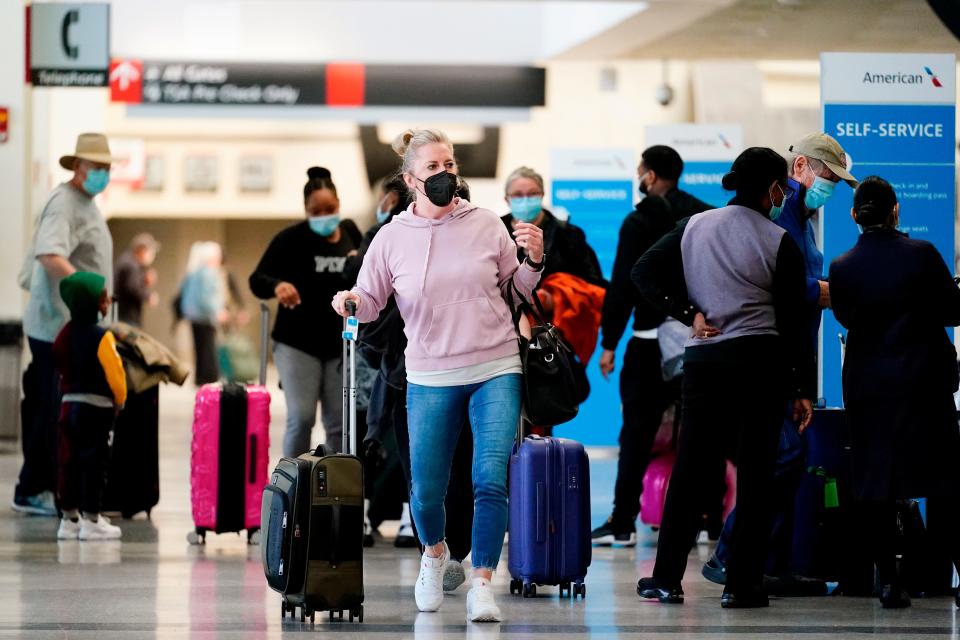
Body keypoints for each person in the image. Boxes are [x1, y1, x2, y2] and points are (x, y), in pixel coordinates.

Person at [332, 128, 544, 623]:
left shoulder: (487, 223)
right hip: (429, 374)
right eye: (433, 167)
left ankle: (483, 584)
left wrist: (533, 259)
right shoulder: (391, 237)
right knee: (426, 490)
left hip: (496, 366)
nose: (445, 174)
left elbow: (517, 291)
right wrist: (349, 302)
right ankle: (434, 554)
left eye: (449, 165)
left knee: (489, 480)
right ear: (411, 178)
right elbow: (370, 299)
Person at [632, 147, 815, 608]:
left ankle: (666, 579)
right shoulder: (779, 240)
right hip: (761, 364)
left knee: (691, 470)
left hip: (705, 364)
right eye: (783, 188)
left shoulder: (693, 225)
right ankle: (743, 584)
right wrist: (800, 390)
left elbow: (644, 272)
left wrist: (688, 313)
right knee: (755, 473)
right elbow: (795, 324)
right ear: (773, 187)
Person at [704, 132, 857, 591]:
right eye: (828, 176)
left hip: (789, 359)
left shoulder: (803, 216)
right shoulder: (779, 214)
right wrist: (827, 291)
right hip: (762, 357)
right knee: (784, 455)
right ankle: (732, 553)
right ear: (801, 168)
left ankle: (771, 563)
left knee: (791, 459)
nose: (830, 187)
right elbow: (779, 284)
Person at [829, 176, 960, 609]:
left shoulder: (843, 266)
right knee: (944, 479)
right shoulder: (922, 255)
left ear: (853, 215)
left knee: (875, 484)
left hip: (869, 388)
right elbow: (952, 312)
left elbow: (846, 318)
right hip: (925, 383)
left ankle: (888, 582)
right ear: (896, 210)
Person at [592, 145, 713, 546]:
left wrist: (608, 343)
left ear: (650, 175)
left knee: (637, 435)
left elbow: (624, 286)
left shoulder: (638, 220)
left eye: (641, 170)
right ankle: (710, 519)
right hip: (698, 341)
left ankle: (623, 522)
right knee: (701, 434)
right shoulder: (706, 214)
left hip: (647, 345)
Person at [14, 133, 116, 517]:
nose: (102, 174)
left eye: (106, 168)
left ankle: (50, 488)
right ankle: (31, 489)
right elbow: (50, 254)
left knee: (57, 409)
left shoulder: (86, 203)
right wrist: (88, 291)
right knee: (52, 411)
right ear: (78, 168)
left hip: (71, 326)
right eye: (96, 168)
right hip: (55, 327)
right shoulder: (65, 204)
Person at [250, 167, 361, 457]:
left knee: (339, 423)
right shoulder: (291, 239)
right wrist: (278, 285)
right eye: (316, 210)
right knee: (301, 418)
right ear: (306, 210)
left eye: (330, 208)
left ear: (339, 203)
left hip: (340, 345)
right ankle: (291, 489)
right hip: (297, 343)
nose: (325, 215)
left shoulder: (351, 233)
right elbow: (257, 280)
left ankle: (337, 495)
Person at [52, 272, 126, 541]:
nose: (107, 305)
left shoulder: (62, 335)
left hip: (68, 407)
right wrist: (120, 400)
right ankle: (92, 520)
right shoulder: (101, 337)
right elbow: (115, 373)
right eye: (104, 300)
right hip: (97, 410)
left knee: (68, 462)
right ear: (93, 304)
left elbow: (58, 365)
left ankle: (69, 519)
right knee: (94, 463)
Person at [500, 166, 604, 286]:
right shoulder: (495, 232)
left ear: (542, 195)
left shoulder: (568, 234)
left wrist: (553, 296)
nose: (525, 200)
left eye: (533, 193)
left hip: (555, 304)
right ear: (507, 199)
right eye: (518, 195)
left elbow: (592, 284)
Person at [181, 242, 227, 386]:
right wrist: (218, 311)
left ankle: (200, 379)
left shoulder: (194, 272)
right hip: (205, 316)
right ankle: (209, 380)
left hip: (194, 316)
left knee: (199, 350)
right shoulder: (208, 273)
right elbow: (207, 297)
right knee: (208, 350)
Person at [114, 233, 160, 327]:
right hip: (125, 317)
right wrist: (148, 296)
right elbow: (133, 287)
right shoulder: (131, 264)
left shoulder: (129, 261)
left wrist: (145, 281)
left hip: (124, 315)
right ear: (142, 250)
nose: (152, 255)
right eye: (150, 251)